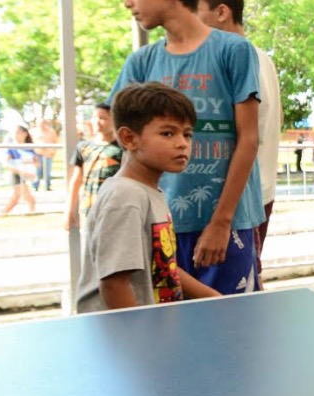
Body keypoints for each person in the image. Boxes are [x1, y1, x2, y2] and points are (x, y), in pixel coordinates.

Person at [110, 0, 264, 296]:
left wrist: (221, 223)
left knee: (231, 330)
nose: (128, 1)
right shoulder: (141, 63)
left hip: (228, 224)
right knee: (170, 334)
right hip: (161, 226)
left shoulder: (234, 50)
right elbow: (123, 141)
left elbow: (249, 139)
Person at [76, 82, 219, 312]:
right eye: (167, 133)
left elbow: (164, 266)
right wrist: (140, 341)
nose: (182, 143)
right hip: (123, 338)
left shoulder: (149, 192)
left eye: (187, 134)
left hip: (148, 333)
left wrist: (217, 299)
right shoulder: (126, 196)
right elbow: (114, 285)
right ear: (129, 139)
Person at [198, 0, 282, 288]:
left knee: (238, 287)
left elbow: (247, 137)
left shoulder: (237, 59)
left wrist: (222, 216)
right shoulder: (262, 59)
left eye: (195, 11)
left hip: (242, 198)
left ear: (221, 12)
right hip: (257, 193)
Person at [64, 103, 123, 230]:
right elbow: (77, 179)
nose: (97, 121)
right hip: (90, 209)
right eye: (94, 117)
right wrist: (69, 211)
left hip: (115, 210)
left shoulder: (123, 149)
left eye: (103, 118)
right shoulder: (83, 147)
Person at [0, 124, 36, 215]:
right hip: (15, 175)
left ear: (25, 134)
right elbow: (6, 164)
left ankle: (2, 214)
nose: (15, 135)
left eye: (18, 132)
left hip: (25, 175)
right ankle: (32, 216)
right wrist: (21, 171)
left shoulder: (29, 148)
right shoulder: (11, 148)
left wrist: (29, 164)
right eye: (14, 133)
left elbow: (37, 163)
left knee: (16, 197)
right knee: (30, 200)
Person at [33, 119, 59, 191]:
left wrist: (53, 152)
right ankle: (35, 186)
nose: (41, 125)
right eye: (40, 123)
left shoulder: (51, 132)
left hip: (48, 154)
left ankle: (47, 186)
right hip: (37, 154)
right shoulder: (33, 131)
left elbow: (55, 141)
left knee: (47, 171)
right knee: (37, 171)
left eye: (43, 123)